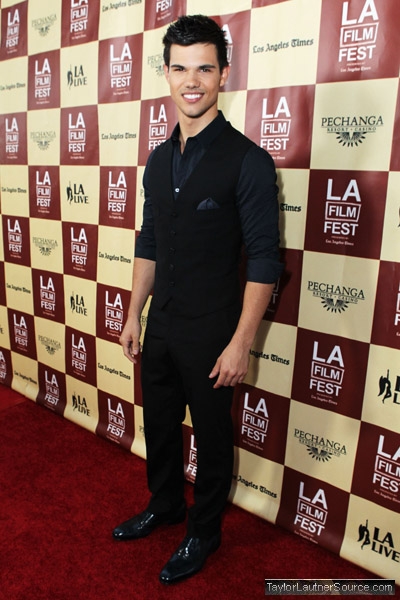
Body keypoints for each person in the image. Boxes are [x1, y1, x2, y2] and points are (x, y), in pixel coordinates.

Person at [113, 14, 283, 585]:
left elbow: (265, 260)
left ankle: (204, 531)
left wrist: (242, 343)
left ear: (223, 75)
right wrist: (134, 312)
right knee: (159, 423)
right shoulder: (158, 160)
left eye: (204, 69)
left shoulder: (248, 161)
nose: (192, 81)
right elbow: (149, 240)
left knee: (211, 438)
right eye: (181, 68)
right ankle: (165, 504)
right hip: (161, 323)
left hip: (213, 330)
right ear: (166, 73)